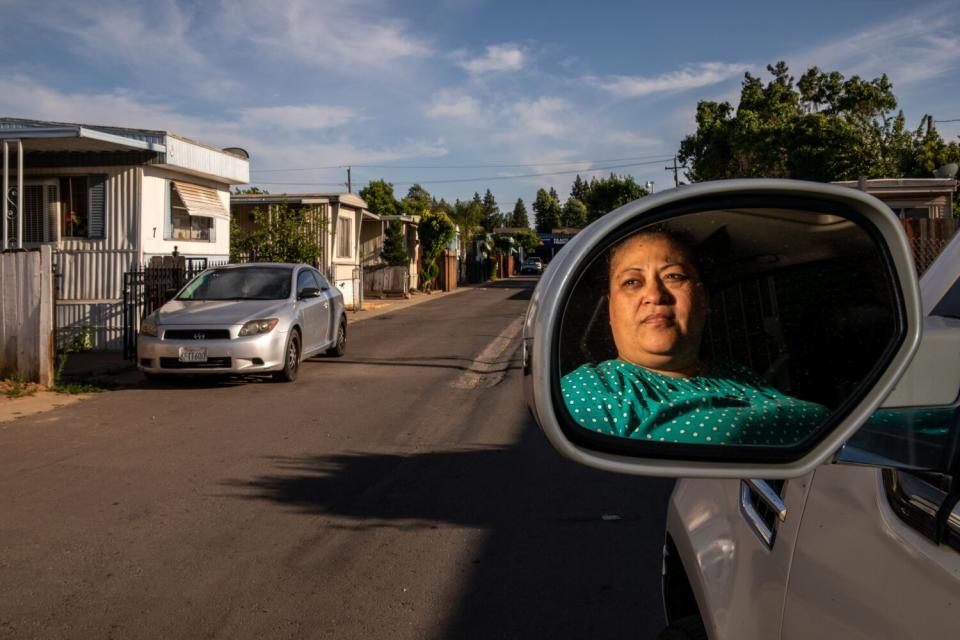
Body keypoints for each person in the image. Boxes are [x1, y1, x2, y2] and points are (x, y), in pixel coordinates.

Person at [560, 226, 829, 445]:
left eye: (674, 276)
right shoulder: (592, 389)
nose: (654, 295)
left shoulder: (736, 374)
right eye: (632, 282)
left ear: (703, 299)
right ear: (610, 310)